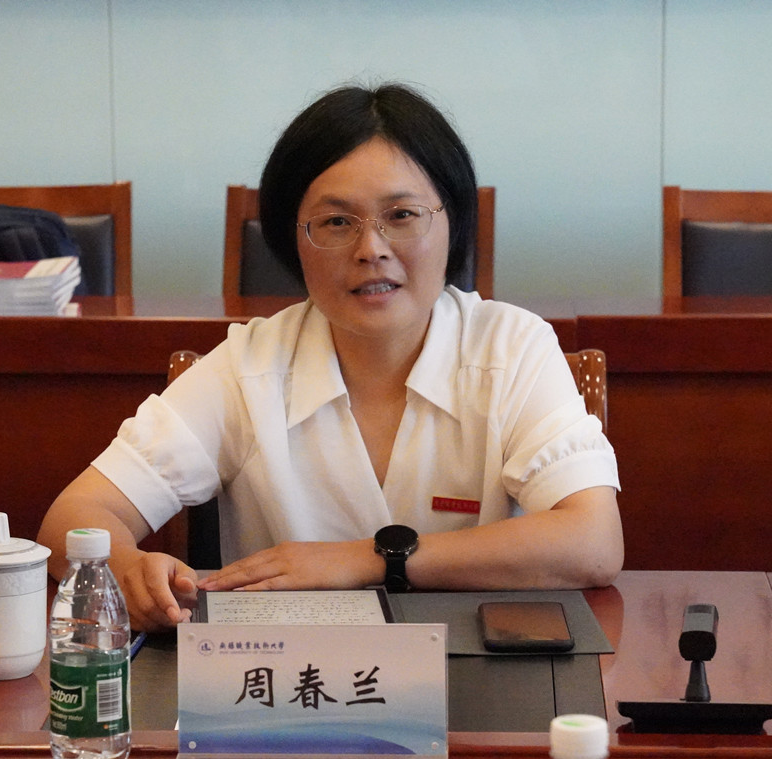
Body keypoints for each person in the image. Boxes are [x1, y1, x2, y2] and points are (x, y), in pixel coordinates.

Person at [38, 82, 623, 632]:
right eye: (337, 222)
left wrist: (370, 560)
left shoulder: (510, 348)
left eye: (401, 216)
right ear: (293, 240)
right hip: (285, 681)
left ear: (454, 222)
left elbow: (593, 541)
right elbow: (73, 517)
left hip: (475, 673)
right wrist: (127, 569)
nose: (371, 249)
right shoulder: (250, 366)